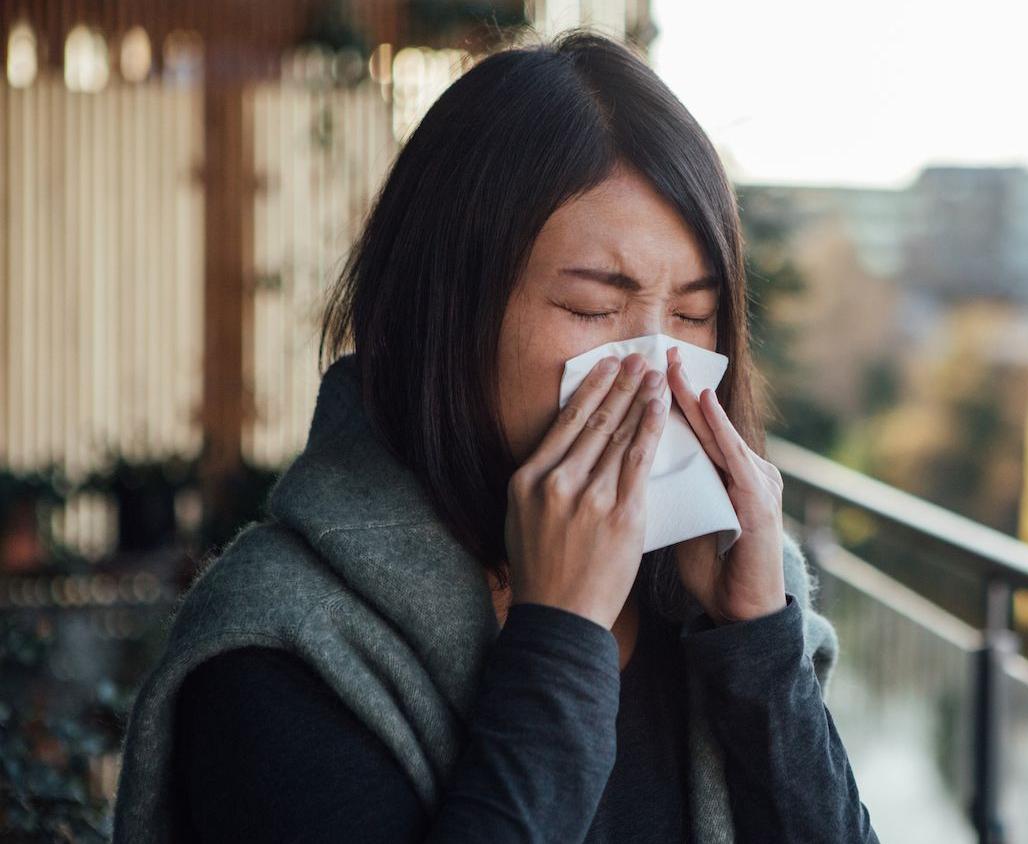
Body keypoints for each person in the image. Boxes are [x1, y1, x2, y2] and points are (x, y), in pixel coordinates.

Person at [109, 26, 877, 844]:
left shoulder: (723, 596)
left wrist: (760, 644)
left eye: (692, 315)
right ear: (448, 311)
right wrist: (562, 640)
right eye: (592, 308)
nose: (658, 373)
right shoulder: (288, 643)